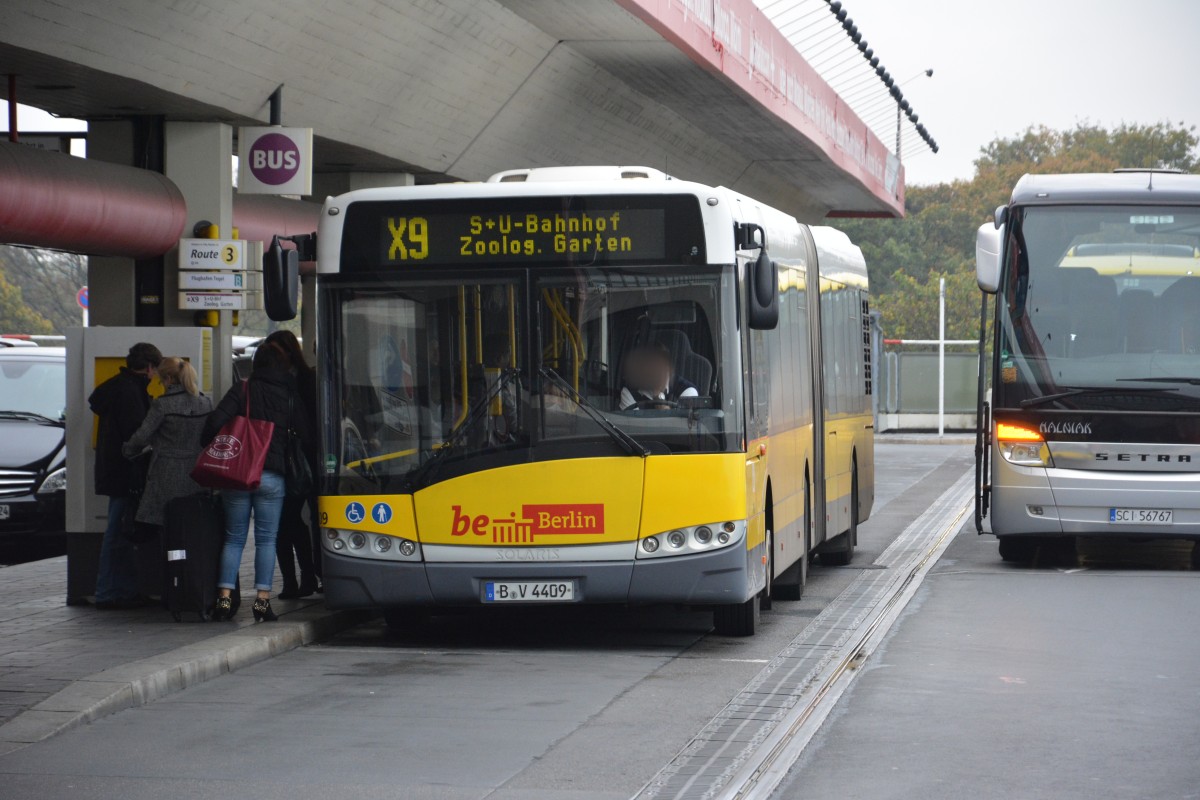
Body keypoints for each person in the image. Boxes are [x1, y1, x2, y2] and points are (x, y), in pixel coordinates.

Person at [203, 342, 312, 622]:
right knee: (267, 540)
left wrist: (208, 444)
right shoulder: (289, 394)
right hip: (272, 476)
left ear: (255, 364)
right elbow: (306, 433)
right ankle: (262, 602)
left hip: (239, 474)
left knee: (234, 538)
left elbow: (216, 420)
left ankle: (224, 600)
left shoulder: (243, 389)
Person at [90, 342, 163, 609]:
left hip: (113, 469)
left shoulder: (117, 386)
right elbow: (136, 435)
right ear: (149, 367)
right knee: (118, 533)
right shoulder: (130, 392)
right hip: (125, 472)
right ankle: (110, 592)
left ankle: (122, 590)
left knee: (122, 531)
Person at [121, 358, 212, 542]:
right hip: (197, 474)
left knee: (163, 529)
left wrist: (127, 450)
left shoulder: (162, 404)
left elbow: (141, 436)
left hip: (166, 474)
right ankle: (189, 566)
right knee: (190, 527)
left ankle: (169, 567)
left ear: (169, 379)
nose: (161, 384)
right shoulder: (205, 402)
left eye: (161, 380)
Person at [264, 329, 320, 598]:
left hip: (308, 461)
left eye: (277, 351)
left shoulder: (308, 380)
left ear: (288, 351)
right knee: (289, 521)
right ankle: (298, 579)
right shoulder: (278, 383)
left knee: (299, 521)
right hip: (286, 462)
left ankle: (310, 576)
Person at [618, 341, 698, 410]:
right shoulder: (629, 392)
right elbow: (632, 425)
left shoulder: (687, 391)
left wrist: (658, 395)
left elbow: (679, 425)